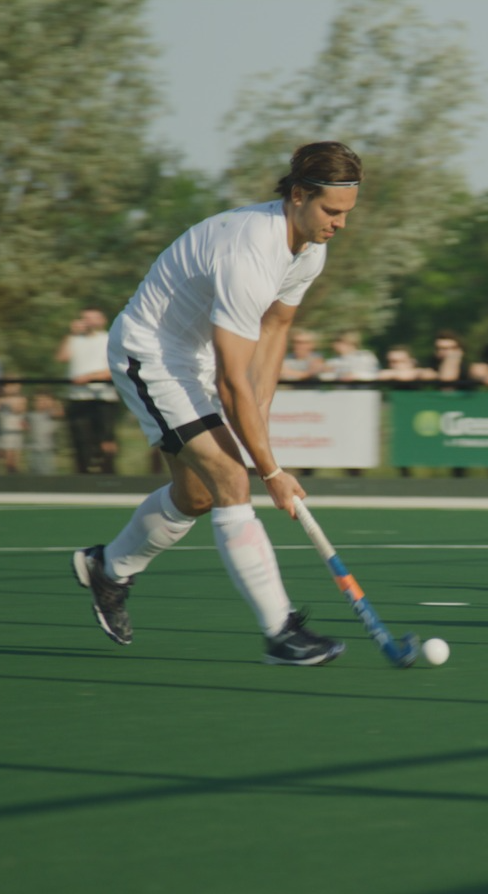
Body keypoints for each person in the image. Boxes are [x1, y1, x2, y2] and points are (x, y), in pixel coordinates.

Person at [70, 140, 363, 665]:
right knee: (232, 479)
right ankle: (281, 633)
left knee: (199, 497)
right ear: (298, 195)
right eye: (332, 211)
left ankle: (108, 568)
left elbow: (275, 329)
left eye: (346, 213)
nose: (340, 224)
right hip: (151, 354)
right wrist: (269, 471)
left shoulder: (310, 249)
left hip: (197, 358)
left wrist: (262, 434)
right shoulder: (250, 249)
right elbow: (233, 382)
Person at [55, 308, 121, 473]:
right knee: (80, 438)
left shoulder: (109, 339)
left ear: (102, 320)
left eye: (93, 317)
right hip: (77, 397)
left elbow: (115, 369)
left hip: (102, 396)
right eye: (85, 318)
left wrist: (89, 377)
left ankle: (109, 472)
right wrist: (70, 335)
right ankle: (83, 473)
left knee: (105, 438)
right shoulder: (74, 340)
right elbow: (62, 358)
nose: (88, 321)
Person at [26, 391, 63, 475]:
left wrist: (54, 403)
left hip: (47, 450)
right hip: (33, 449)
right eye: (38, 400)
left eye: (44, 400)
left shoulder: (50, 414)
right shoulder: (31, 415)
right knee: (34, 471)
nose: (41, 403)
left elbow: (60, 413)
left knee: (47, 472)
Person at [0, 382, 24, 474]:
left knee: (14, 460)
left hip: (15, 432)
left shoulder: (20, 399)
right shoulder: (2, 399)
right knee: (7, 459)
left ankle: (14, 478)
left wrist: (7, 402)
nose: (12, 388)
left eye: (15, 386)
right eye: (9, 386)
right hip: (4, 432)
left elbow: (18, 409)